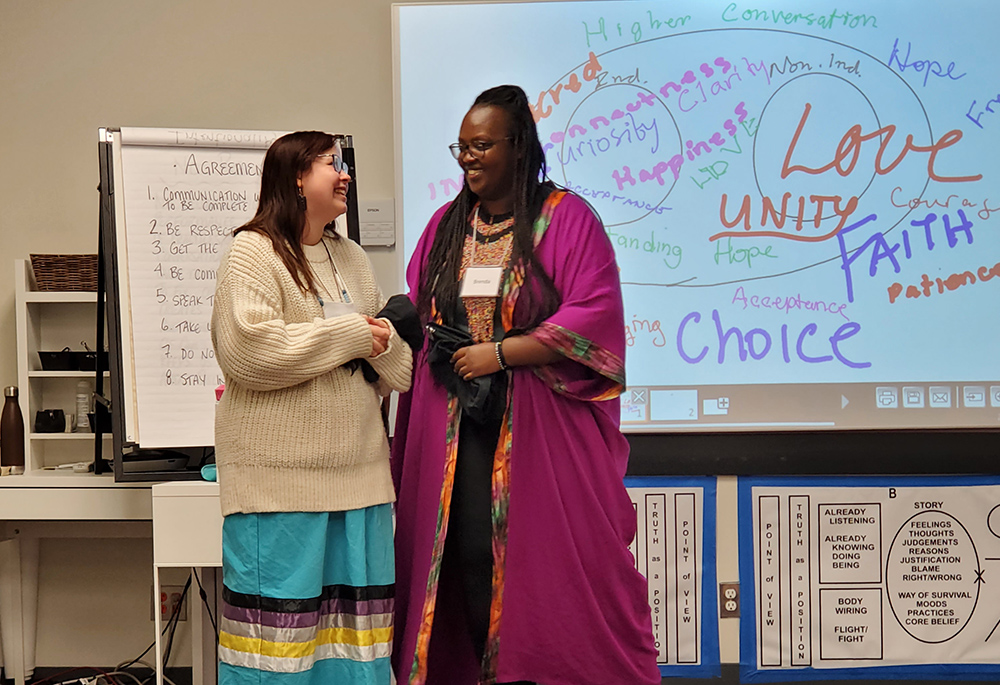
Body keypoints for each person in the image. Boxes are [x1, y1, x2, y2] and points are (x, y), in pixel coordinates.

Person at [391, 87, 660, 685]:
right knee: (462, 566)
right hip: (455, 437)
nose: (468, 158)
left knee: (547, 574)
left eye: (482, 145)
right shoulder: (445, 224)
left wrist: (501, 354)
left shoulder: (567, 219)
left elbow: (594, 316)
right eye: (461, 147)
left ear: (519, 148)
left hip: (540, 435)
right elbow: (422, 304)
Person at [211, 131, 412, 685]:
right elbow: (249, 353)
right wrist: (352, 337)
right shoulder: (252, 251)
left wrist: (378, 340)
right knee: (276, 662)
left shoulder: (350, 256)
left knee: (357, 662)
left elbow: (397, 367)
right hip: (281, 494)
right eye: (332, 164)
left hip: (362, 487)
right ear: (297, 176)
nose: (345, 174)